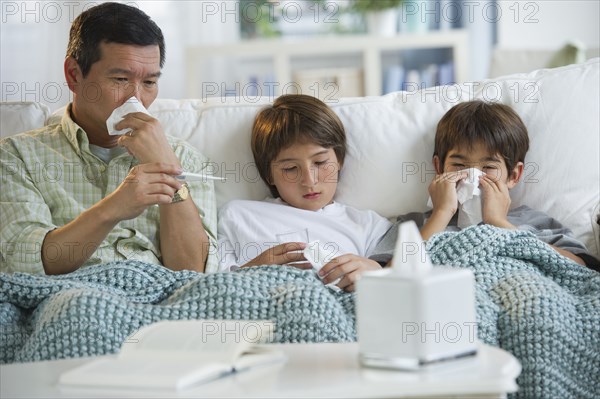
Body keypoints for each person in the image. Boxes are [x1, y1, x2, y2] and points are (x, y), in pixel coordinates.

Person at [0, 2, 217, 275]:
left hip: (158, 304)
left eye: (149, 83)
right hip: (71, 301)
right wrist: (114, 207)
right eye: (120, 79)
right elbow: (28, 267)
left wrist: (168, 170)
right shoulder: (17, 156)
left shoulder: (185, 158)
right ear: (74, 76)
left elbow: (192, 273)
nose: (136, 98)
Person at [373, 100, 599, 270]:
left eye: (488, 167)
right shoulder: (414, 224)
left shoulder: (536, 222)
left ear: (513, 175)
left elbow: (578, 268)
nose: (472, 176)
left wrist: (499, 223)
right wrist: (441, 213)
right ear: (439, 168)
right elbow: (388, 275)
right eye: (459, 165)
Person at [217, 94, 392, 291]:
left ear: (339, 160)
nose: (309, 181)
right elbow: (208, 287)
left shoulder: (369, 226)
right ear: (269, 175)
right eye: (290, 168)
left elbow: (403, 274)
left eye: (320, 162)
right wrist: (251, 271)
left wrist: (376, 270)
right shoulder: (237, 216)